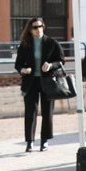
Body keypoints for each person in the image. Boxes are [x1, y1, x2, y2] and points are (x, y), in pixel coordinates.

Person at [14, 17, 65, 152]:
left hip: (47, 81)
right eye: (35, 27)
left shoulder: (52, 43)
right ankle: (30, 141)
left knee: (47, 112)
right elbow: (17, 64)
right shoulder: (25, 44)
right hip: (30, 82)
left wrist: (50, 65)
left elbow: (61, 61)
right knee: (30, 112)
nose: (38, 29)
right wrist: (23, 70)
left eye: (40, 26)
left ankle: (45, 140)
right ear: (30, 30)